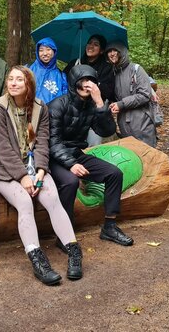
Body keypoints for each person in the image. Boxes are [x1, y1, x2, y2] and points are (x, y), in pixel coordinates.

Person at [0, 65, 82, 285]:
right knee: (24, 202)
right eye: (10, 79)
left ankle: (74, 251)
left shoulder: (40, 108)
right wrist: (23, 177)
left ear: (28, 84)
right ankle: (37, 258)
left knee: (52, 199)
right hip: (6, 170)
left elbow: (42, 142)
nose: (13, 83)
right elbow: (2, 149)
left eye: (19, 80)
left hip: (33, 165)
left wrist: (40, 170)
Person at [48, 64, 134, 247]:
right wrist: (71, 164)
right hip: (54, 157)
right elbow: (51, 142)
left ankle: (109, 227)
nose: (87, 84)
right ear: (74, 83)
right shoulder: (58, 105)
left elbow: (106, 130)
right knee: (70, 182)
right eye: (83, 80)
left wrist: (100, 104)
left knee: (114, 174)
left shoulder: (91, 105)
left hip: (76, 154)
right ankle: (64, 235)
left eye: (91, 81)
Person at [64, 34, 115, 146]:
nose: (91, 46)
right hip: (73, 113)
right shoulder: (75, 63)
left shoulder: (106, 68)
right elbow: (64, 83)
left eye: (96, 44)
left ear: (101, 51)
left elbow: (107, 92)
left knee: (93, 146)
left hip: (93, 114)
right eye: (89, 43)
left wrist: (91, 84)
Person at [107, 42, 157, 148]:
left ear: (122, 52)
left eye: (115, 50)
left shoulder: (136, 69)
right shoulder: (113, 73)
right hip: (123, 122)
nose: (112, 54)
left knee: (146, 154)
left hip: (142, 121)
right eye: (109, 51)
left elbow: (144, 94)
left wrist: (121, 104)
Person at [29, 37, 68, 105]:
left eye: (48, 49)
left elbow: (65, 100)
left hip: (52, 114)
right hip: (30, 111)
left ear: (54, 51)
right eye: (41, 50)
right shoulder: (28, 70)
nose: (45, 53)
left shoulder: (61, 76)